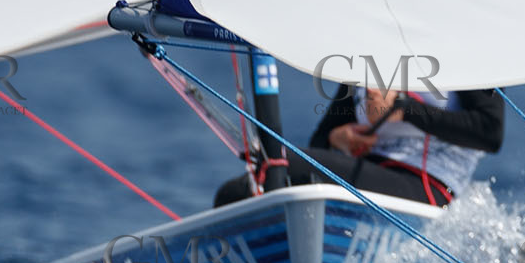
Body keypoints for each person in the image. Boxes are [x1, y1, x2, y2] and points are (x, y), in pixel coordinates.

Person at [213, 85, 503, 207]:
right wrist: (339, 138)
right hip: (368, 178)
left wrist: (405, 108)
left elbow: (490, 132)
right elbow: (320, 142)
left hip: (430, 188)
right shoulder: (365, 47)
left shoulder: (463, 45)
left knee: (279, 168)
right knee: (233, 193)